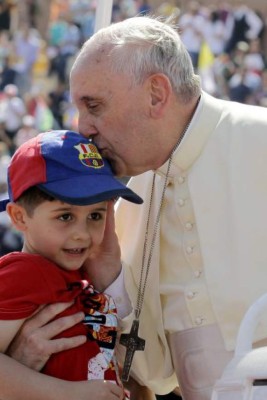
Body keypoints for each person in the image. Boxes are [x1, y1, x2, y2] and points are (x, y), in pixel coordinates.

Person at [7, 14, 267, 400]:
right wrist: (110, 276)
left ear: (156, 94)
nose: (84, 128)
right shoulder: (123, 198)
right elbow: (155, 374)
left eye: (93, 105)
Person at [0, 129, 144, 400]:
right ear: (19, 217)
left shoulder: (79, 275)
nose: (82, 232)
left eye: (96, 215)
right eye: (65, 216)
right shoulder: (25, 273)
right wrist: (69, 394)